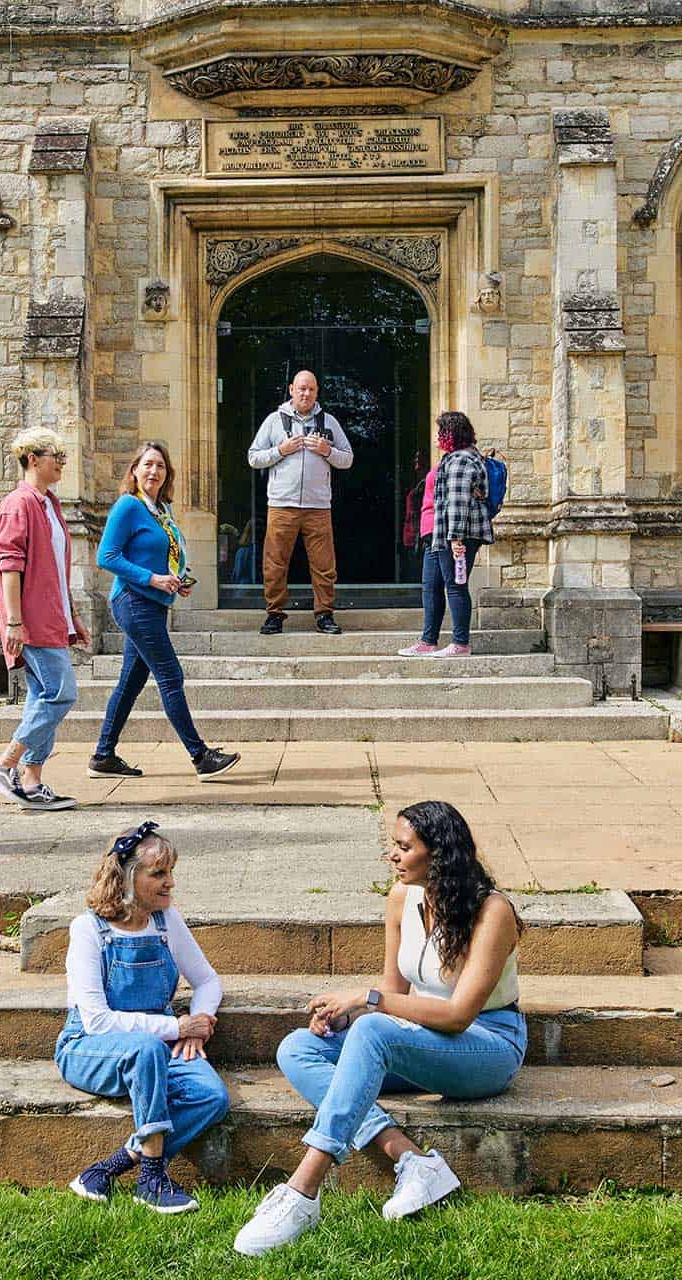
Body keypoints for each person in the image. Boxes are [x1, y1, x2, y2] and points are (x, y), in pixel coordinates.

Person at [234, 800, 525, 1257]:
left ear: (440, 855)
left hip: (489, 1045)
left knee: (373, 1034)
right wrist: (343, 1017)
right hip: (419, 1038)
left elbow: (457, 1016)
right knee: (297, 1048)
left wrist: (365, 1000)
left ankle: (303, 1191)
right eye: (394, 845)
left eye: (404, 847)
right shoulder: (402, 899)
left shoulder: (493, 912)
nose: (393, 855)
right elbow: (394, 993)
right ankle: (409, 1158)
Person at [56, 820, 230, 1211]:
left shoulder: (166, 922)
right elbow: (97, 1021)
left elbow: (207, 981)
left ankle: (111, 1167)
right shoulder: (89, 930)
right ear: (128, 876)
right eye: (159, 873)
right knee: (146, 1048)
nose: (170, 883)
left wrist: (196, 1029)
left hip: (160, 1042)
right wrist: (174, 1026)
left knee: (212, 1097)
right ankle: (152, 1179)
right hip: (89, 1047)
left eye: (171, 873)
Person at [91, 440, 240, 781]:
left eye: (160, 466)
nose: (153, 471)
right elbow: (107, 557)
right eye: (147, 465)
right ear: (134, 471)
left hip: (154, 603)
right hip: (133, 600)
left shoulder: (162, 511)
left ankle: (103, 756)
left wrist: (178, 580)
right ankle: (200, 756)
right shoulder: (128, 506)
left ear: (167, 474)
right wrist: (153, 579)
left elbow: (166, 554)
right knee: (171, 676)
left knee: (131, 681)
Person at [0, 428, 90, 812]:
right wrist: (14, 622)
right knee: (61, 693)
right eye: (54, 455)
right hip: (31, 620)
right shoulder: (18, 504)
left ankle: (31, 781)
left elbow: (55, 570)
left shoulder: (50, 504)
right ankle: (5, 762)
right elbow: (8, 566)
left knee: (40, 697)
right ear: (32, 458)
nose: (61, 462)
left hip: (53, 618)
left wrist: (73, 615)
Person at [247, 369, 353, 636]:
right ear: (292, 389)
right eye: (302, 388)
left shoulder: (329, 421)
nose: (306, 394)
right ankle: (274, 615)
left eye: (311, 389)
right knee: (275, 562)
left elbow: (348, 458)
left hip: (318, 507)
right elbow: (253, 457)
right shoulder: (273, 420)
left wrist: (326, 451)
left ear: (317, 393)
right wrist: (280, 451)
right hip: (281, 504)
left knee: (323, 564)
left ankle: (325, 615)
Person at [398, 412, 494, 659]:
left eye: (442, 432)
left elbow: (458, 502)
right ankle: (428, 641)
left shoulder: (462, 460)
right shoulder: (450, 458)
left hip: (454, 534)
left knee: (455, 586)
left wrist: (456, 539)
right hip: (438, 534)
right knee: (430, 586)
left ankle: (460, 643)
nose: (438, 438)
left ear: (453, 433)